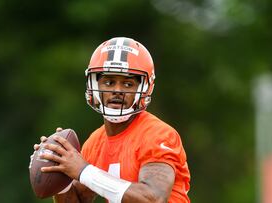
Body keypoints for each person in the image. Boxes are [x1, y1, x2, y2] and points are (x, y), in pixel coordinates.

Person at [32, 37, 191, 203]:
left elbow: (153, 199)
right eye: (109, 82)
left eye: (128, 84)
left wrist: (84, 171)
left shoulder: (158, 134)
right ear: (94, 85)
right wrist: (60, 171)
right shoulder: (95, 142)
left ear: (145, 88)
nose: (117, 90)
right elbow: (77, 200)